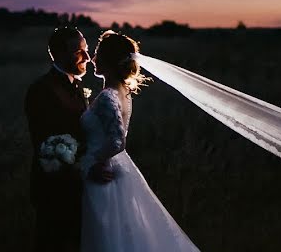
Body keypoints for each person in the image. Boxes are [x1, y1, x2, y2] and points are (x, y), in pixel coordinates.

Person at [80, 30, 198, 251]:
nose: (93, 59)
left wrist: (90, 162)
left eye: (98, 54)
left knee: (108, 234)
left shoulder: (107, 96)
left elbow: (118, 142)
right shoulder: (123, 91)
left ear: (111, 61)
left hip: (104, 170)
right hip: (119, 167)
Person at [25, 26, 92, 252]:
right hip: (54, 191)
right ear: (60, 53)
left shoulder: (78, 86)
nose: (87, 58)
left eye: (87, 50)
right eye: (79, 52)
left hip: (80, 189)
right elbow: (46, 144)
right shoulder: (41, 90)